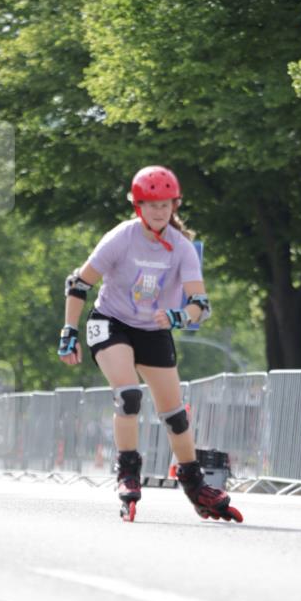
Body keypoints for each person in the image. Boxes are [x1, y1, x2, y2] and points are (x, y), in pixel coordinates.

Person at [57, 165, 243, 523]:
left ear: (175, 205)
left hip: (154, 329)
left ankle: (194, 482)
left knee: (174, 414)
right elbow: (79, 283)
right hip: (111, 322)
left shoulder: (182, 248)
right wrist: (69, 330)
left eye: (165, 205)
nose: (159, 212)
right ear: (137, 206)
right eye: (151, 205)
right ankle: (128, 471)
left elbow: (200, 306)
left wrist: (179, 317)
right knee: (129, 395)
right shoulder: (121, 238)